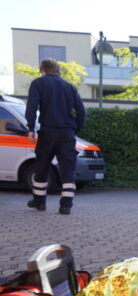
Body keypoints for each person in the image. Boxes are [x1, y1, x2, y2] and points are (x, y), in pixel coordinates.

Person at [25, 58, 86, 215]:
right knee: (68, 169)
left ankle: (39, 203)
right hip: (67, 134)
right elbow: (81, 111)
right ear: (58, 70)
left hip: (48, 132)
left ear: (43, 69)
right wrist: (75, 129)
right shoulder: (70, 87)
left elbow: (32, 106)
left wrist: (31, 127)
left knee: (42, 166)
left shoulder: (38, 83)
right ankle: (66, 206)